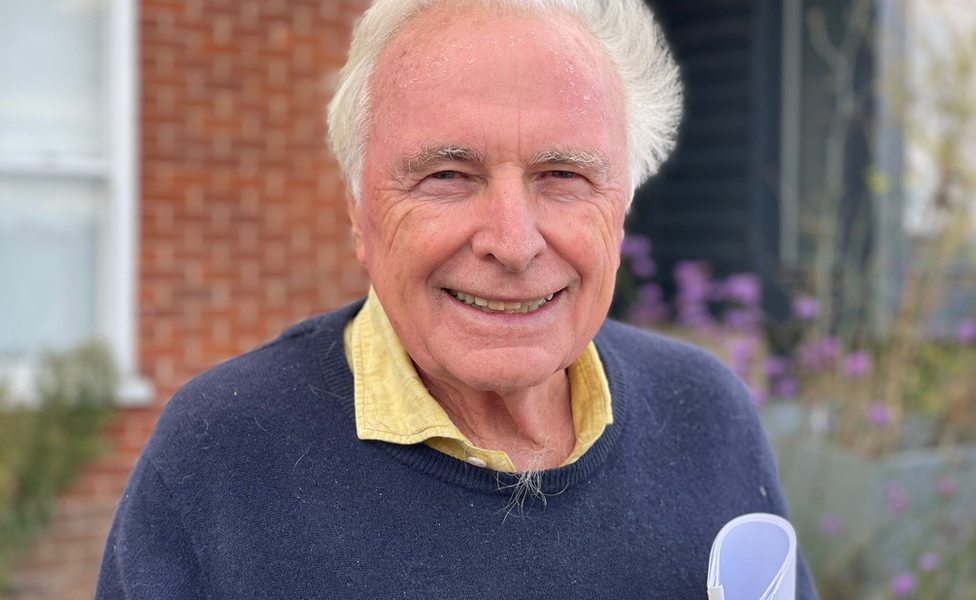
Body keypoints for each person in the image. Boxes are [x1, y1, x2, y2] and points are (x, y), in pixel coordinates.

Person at [96, 0, 819, 598]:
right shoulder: (221, 453)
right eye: (446, 175)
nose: (513, 242)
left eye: (564, 175)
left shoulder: (707, 415)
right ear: (358, 212)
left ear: (622, 206)